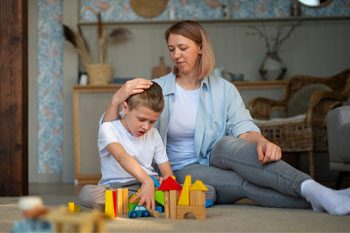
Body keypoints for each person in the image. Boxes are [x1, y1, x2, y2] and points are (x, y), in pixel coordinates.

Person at [103, 20, 350, 215]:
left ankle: (315, 190)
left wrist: (261, 141)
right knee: (242, 183)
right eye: (171, 49)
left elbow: (244, 128)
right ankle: (319, 198)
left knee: (231, 144)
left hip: (217, 154)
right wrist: (116, 99)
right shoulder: (155, 88)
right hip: (179, 169)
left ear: (200, 47)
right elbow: (113, 127)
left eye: (183, 48)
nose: (176, 55)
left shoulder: (224, 89)